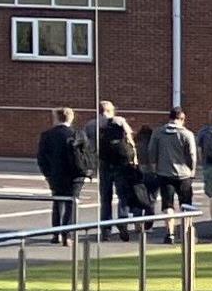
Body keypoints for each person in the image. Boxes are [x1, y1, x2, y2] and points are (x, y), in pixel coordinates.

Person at [94, 102, 142, 234]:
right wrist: (134, 159)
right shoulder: (120, 122)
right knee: (123, 194)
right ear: (112, 110)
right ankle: (123, 221)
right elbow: (129, 141)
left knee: (105, 197)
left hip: (104, 163)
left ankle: (105, 228)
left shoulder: (93, 125)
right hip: (121, 163)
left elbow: (90, 146)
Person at [36, 108, 85, 237]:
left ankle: (55, 233)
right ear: (71, 118)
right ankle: (67, 234)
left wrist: (47, 174)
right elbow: (86, 155)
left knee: (57, 201)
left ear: (56, 118)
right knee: (71, 202)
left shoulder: (47, 135)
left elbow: (41, 158)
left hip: (55, 174)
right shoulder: (77, 134)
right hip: (75, 174)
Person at [145, 109, 202, 220]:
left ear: (170, 118)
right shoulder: (187, 134)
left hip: (164, 173)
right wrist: (193, 170)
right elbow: (192, 155)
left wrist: (154, 168)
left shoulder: (158, 132)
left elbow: (151, 151)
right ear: (182, 119)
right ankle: (186, 231)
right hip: (184, 174)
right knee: (186, 205)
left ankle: (169, 233)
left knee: (168, 205)